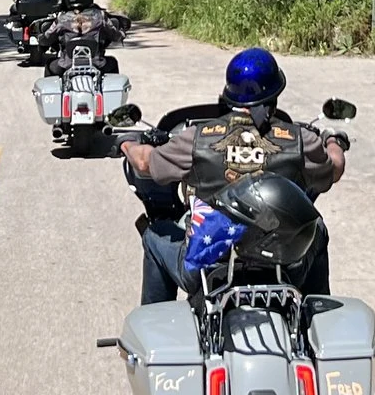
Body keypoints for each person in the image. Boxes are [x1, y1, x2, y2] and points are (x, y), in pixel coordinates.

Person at [120, 47, 348, 306]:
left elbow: (144, 162)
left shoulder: (197, 138)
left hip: (207, 263)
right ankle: (315, 312)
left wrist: (127, 143)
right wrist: (333, 140)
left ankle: (157, 324)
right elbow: (335, 168)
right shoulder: (300, 140)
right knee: (316, 228)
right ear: (274, 95)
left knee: (155, 235)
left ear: (229, 94)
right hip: (284, 263)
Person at [33, 0, 124, 67]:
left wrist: (40, 37)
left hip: (67, 65)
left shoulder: (62, 18)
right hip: (96, 64)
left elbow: (47, 38)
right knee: (112, 63)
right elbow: (115, 35)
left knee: (50, 65)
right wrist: (121, 34)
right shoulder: (100, 16)